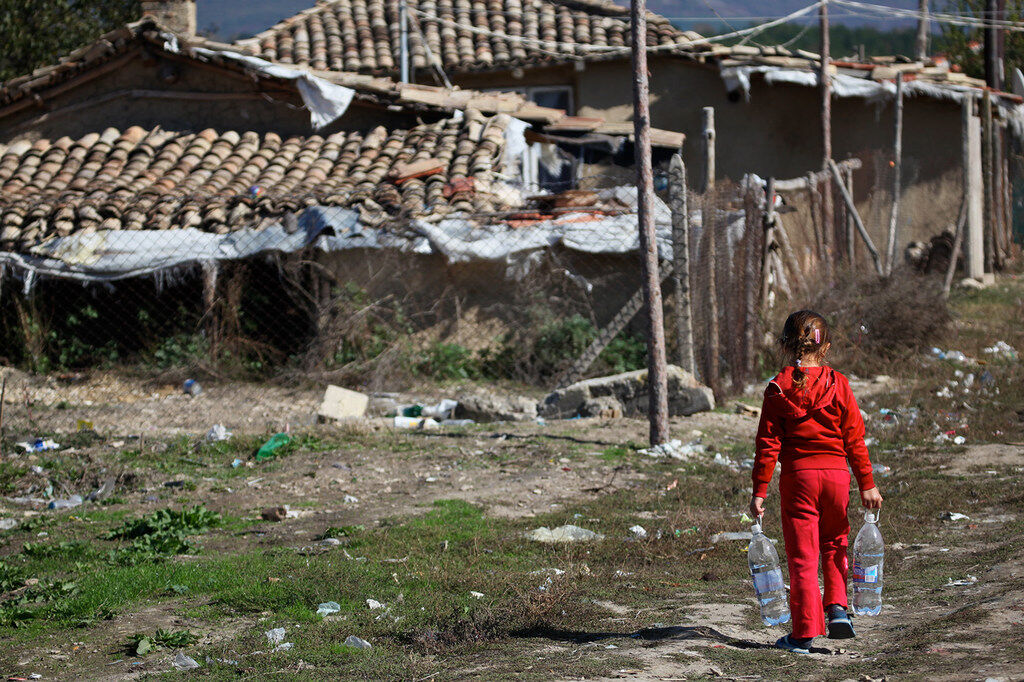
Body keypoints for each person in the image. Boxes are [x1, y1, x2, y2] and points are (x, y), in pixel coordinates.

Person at [749, 310, 883, 654]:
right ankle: (838, 609)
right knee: (835, 543)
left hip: (799, 480)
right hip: (837, 477)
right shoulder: (838, 384)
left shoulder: (777, 388)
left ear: (784, 345)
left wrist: (760, 491)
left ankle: (804, 633)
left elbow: (768, 445)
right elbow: (855, 438)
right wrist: (866, 482)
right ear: (825, 349)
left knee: (803, 556)